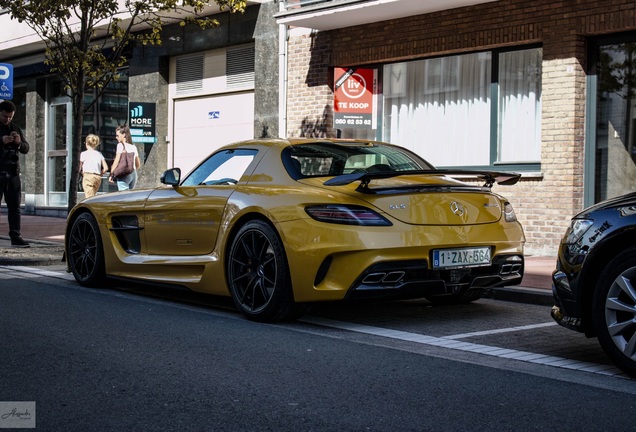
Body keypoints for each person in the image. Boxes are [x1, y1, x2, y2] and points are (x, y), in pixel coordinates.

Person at [0, 100, 30, 248]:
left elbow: (26, 148)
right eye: (5, 116)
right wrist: (1, 141)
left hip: (13, 173)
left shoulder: (15, 128)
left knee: (15, 207)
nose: (8, 119)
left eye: (10, 117)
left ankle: (15, 236)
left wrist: (18, 143)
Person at [109, 125, 141, 191]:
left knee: (123, 196)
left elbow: (116, 162)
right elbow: (138, 165)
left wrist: (111, 174)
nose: (116, 137)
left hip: (124, 174)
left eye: (117, 135)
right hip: (133, 174)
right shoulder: (133, 146)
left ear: (124, 135)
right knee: (129, 196)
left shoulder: (120, 145)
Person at [80, 134, 108, 199]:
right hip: (97, 177)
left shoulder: (83, 154)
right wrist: (100, 174)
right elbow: (106, 168)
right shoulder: (99, 154)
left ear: (86, 143)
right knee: (92, 196)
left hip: (88, 176)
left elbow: (79, 166)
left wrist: (82, 172)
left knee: (89, 198)